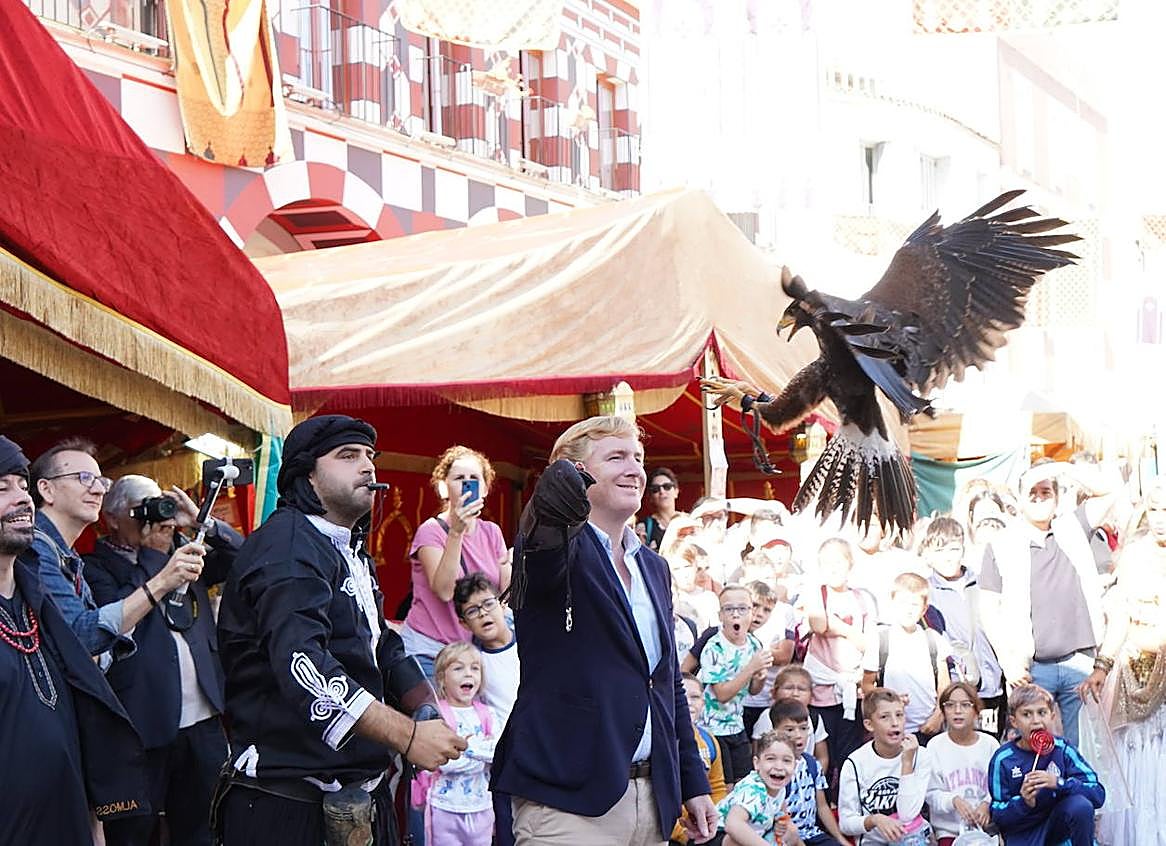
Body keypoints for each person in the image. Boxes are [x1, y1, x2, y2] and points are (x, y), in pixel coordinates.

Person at [215, 415, 467, 846]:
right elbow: (303, 664)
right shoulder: (288, 549)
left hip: (358, 797)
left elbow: (381, 644)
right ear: (307, 476)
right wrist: (407, 736)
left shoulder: (344, 546)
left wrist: (426, 708)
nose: (368, 466)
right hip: (287, 806)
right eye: (348, 456)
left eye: (370, 456)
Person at [492, 415, 717, 845]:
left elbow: (667, 683)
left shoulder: (654, 567)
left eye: (638, 458)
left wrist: (692, 781)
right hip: (568, 802)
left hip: (653, 801)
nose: (634, 469)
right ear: (573, 472)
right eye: (616, 457)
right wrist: (551, 497)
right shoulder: (552, 546)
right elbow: (542, 548)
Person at [0, 435, 149, 842]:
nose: (22, 498)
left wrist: (93, 819)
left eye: (22, 485)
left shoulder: (38, 601)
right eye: (2, 488)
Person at [84, 474, 243, 846]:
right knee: (134, 832)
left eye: (157, 504)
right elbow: (117, 619)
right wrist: (155, 555)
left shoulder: (186, 550)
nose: (154, 516)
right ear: (111, 519)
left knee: (205, 828)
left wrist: (202, 522)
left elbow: (243, 559)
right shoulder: (95, 567)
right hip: (143, 723)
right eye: (140, 509)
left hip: (203, 719)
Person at [979, 460, 1117, 746]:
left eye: (1046, 492)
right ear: (1019, 499)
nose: (1039, 498)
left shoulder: (1073, 527)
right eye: (1032, 492)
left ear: (1056, 498)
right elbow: (988, 609)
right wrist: (1008, 661)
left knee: (1083, 749)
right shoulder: (1001, 543)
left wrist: (1060, 467)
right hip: (1031, 667)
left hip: (1080, 661)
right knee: (1034, 748)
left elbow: (1109, 491)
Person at [28, 437, 200, 666]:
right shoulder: (35, 548)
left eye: (101, 481)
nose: (99, 490)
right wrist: (162, 582)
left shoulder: (67, 554)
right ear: (46, 489)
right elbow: (81, 637)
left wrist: (200, 523)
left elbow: (93, 651)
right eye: (84, 478)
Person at [1076, 480, 1166, 845]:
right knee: (1139, 756)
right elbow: (1122, 616)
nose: (1159, 518)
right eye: (1154, 509)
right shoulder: (1135, 555)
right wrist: (1102, 666)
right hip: (1135, 672)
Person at [402, 445, 510, 678]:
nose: (466, 483)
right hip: (430, 650)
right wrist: (456, 532)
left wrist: (516, 563)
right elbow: (444, 591)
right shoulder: (431, 531)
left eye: (474, 478)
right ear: (444, 487)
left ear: (485, 488)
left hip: (473, 654)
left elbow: (504, 593)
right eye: (459, 478)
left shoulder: (491, 531)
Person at [987, 684, 1104, 846]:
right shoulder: (1003, 759)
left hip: (1059, 827)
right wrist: (1023, 802)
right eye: (1026, 714)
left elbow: (1097, 794)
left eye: (1042, 713)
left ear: (1052, 716)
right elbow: (997, 815)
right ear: (1014, 721)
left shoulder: (1062, 749)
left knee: (1080, 806)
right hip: (1024, 833)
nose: (1036, 721)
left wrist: (1059, 783)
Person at [921, 517, 1007, 738]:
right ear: (928, 554)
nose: (948, 557)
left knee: (990, 744)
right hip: (954, 689)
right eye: (940, 551)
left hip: (991, 684)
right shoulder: (926, 592)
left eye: (953, 549)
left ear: (963, 549)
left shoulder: (983, 582)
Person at [453, 572, 520, 846]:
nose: (483, 614)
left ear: (502, 604)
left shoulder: (531, 641)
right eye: (472, 611)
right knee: (507, 831)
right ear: (463, 622)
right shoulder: (473, 664)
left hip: (543, 749)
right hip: (505, 761)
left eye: (488, 604)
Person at [802, 538, 872, 795]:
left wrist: (837, 627)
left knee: (849, 751)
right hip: (821, 687)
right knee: (824, 749)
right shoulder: (816, 593)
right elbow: (818, 624)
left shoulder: (862, 598)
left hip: (851, 687)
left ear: (850, 564)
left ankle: (845, 799)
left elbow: (867, 642)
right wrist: (849, 630)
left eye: (839, 562)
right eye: (827, 563)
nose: (833, 568)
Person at [414, 643, 499, 846]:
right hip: (444, 807)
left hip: (481, 807)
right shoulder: (437, 715)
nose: (468, 673)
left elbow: (497, 753)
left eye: (474, 668)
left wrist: (466, 748)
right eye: (458, 668)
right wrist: (480, 751)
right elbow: (442, 763)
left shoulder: (488, 714)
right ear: (442, 678)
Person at [861, 572, 952, 741]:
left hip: (928, 728)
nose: (908, 610)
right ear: (892, 603)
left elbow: (944, 686)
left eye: (914, 604)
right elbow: (867, 684)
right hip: (891, 730)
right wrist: (889, 697)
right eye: (903, 603)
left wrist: (938, 715)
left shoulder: (934, 640)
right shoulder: (880, 640)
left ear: (924, 609)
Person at [698, 584, 774, 785]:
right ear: (720, 615)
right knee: (724, 787)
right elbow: (722, 694)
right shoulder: (714, 647)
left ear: (751, 612)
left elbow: (754, 691)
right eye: (729, 609)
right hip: (713, 729)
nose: (736, 614)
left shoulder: (754, 644)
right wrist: (751, 668)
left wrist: (760, 676)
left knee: (743, 784)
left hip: (736, 726)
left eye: (742, 608)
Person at [838, 688, 934, 845]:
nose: (895, 723)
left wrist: (907, 763)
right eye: (885, 717)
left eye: (899, 715)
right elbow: (846, 824)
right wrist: (874, 820)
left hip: (913, 839)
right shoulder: (855, 763)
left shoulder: (920, 755)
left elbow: (907, 814)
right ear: (869, 725)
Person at [926, 682, 999, 846]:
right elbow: (931, 793)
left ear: (976, 711)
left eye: (965, 705)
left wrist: (987, 804)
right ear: (943, 711)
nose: (957, 711)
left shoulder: (990, 744)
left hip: (985, 828)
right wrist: (953, 801)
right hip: (949, 830)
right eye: (950, 705)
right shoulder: (935, 746)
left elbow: (999, 786)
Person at [768, 698, 849, 846]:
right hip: (784, 837)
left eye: (803, 728)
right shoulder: (773, 769)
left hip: (811, 833)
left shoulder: (812, 764)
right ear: (775, 731)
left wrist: (839, 838)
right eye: (790, 730)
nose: (798, 735)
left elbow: (822, 806)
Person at [670, 673, 729, 845]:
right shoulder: (659, 742)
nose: (688, 702)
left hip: (703, 829)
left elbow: (717, 787)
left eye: (695, 697)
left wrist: (713, 823)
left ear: (704, 702)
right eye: (682, 697)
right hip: (672, 834)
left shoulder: (709, 740)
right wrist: (683, 834)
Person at [712, 732, 799, 846]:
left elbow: (781, 807)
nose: (779, 767)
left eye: (786, 760)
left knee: (792, 831)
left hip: (759, 832)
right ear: (757, 763)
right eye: (771, 759)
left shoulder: (779, 786)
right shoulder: (753, 790)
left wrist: (781, 821)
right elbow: (733, 824)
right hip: (717, 835)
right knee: (734, 842)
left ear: (795, 766)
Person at [751, 665, 830, 776]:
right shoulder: (768, 716)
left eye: (801, 689)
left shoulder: (814, 718)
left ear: (812, 695)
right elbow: (757, 751)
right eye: (788, 688)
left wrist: (815, 777)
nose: (795, 694)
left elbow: (822, 756)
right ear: (774, 692)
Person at [740, 581, 795, 737]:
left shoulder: (756, 643)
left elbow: (784, 656)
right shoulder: (718, 635)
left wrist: (759, 673)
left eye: (767, 610)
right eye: (755, 606)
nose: (759, 614)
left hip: (760, 703)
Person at [639, 467, 683, 552]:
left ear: (676, 491)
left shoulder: (689, 521)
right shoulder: (644, 526)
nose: (662, 491)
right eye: (655, 489)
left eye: (667, 487)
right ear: (651, 497)